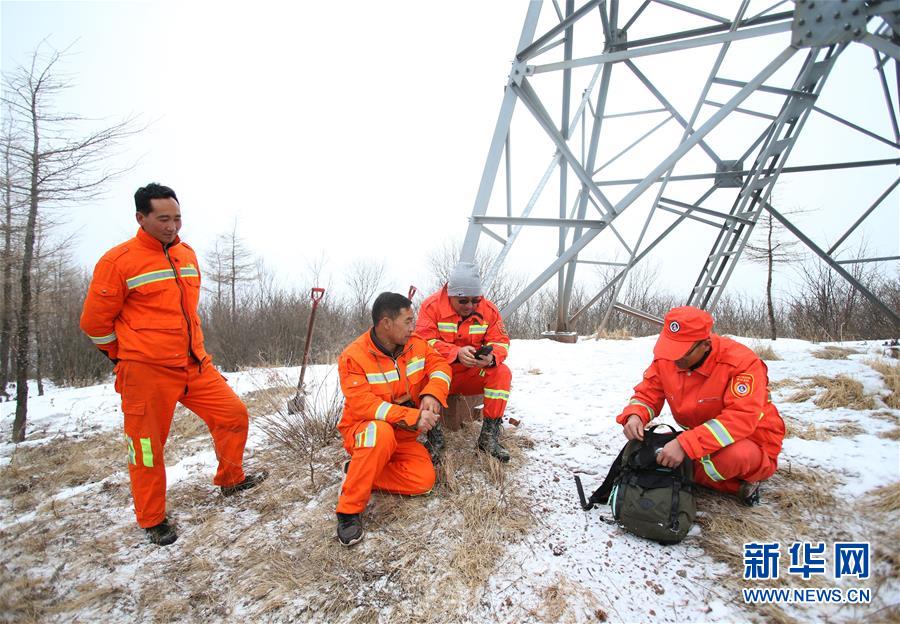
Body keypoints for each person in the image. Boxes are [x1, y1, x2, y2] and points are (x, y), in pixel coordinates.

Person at [80, 183, 267, 546]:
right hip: (145, 371)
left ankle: (231, 479)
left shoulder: (187, 255)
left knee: (233, 415)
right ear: (141, 218)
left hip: (194, 364)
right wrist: (123, 355)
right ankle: (152, 519)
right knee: (147, 447)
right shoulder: (118, 262)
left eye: (177, 218)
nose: (172, 226)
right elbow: (94, 324)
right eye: (163, 219)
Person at [615, 306, 785, 505]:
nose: (675, 359)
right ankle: (693, 472)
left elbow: (741, 419)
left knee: (733, 458)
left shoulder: (741, 364)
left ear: (705, 344)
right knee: (660, 456)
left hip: (751, 439)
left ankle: (738, 482)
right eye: (670, 349)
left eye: (683, 353)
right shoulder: (669, 357)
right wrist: (635, 415)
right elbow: (649, 392)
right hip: (702, 437)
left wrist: (685, 444)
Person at [335, 292, 452, 546]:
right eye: (408, 321)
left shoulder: (417, 344)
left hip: (404, 436)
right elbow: (365, 405)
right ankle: (348, 510)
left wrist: (432, 393)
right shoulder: (353, 357)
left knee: (424, 481)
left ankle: (357, 471)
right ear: (386, 323)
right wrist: (413, 416)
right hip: (366, 432)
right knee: (381, 432)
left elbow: (441, 367)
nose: (414, 327)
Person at [415, 262, 512, 462]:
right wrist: (455, 352)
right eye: (463, 301)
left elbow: (501, 342)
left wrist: (491, 358)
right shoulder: (431, 307)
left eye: (475, 300)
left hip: (472, 374)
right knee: (416, 373)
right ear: (450, 295)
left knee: (502, 373)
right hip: (440, 375)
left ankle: (488, 438)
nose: (470, 306)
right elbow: (422, 343)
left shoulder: (489, 310)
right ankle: (435, 439)